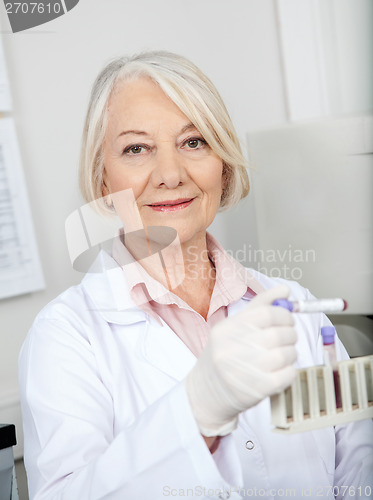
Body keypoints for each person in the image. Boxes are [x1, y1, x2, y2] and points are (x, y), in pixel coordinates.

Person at [19, 51, 372, 500]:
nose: (170, 174)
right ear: (103, 181)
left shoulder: (295, 305)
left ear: (222, 165)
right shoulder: (66, 338)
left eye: (193, 141)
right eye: (136, 149)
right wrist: (195, 414)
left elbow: (357, 460)